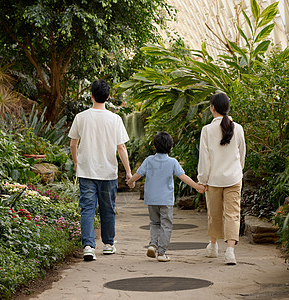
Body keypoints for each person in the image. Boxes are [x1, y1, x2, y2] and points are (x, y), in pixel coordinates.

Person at [69, 79, 132, 261]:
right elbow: (121, 147)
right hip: (108, 171)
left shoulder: (81, 117)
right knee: (108, 209)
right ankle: (108, 244)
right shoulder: (115, 119)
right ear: (108, 97)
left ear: (91, 95)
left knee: (87, 209)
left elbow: (73, 143)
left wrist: (76, 162)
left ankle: (88, 246)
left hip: (86, 170)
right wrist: (128, 172)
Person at [127, 132, 205, 262]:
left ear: (154, 146)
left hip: (151, 199)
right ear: (170, 147)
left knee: (154, 223)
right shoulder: (172, 162)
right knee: (166, 225)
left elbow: (138, 174)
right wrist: (197, 186)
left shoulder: (149, 160)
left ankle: (153, 244)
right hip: (166, 200)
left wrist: (130, 182)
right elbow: (183, 177)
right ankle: (162, 253)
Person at [197, 93, 246, 265]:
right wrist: (237, 171)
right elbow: (242, 154)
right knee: (233, 214)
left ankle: (213, 247)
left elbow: (205, 158)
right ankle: (230, 252)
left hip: (214, 179)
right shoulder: (238, 128)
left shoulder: (207, 130)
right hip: (234, 177)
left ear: (212, 108)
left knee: (214, 213)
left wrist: (202, 180)